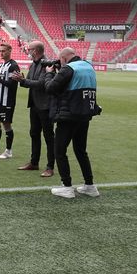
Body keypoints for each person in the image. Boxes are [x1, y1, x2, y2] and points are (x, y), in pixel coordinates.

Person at [44, 48, 101, 198]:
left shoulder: (68, 69)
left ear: (63, 57)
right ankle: (90, 185)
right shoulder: (89, 66)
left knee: (60, 150)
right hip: (84, 114)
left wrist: (49, 73)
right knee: (81, 150)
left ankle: (67, 186)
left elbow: (50, 88)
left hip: (68, 115)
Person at [11, 40, 55, 177]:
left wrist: (23, 81)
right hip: (35, 105)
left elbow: (41, 84)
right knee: (34, 133)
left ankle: (50, 167)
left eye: (29, 49)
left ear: (35, 51)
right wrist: (21, 78)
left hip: (45, 106)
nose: (27, 51)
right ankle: (34, 163)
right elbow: (30, 81)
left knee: (49, 137)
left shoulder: (47, 64)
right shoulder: (34, 64)